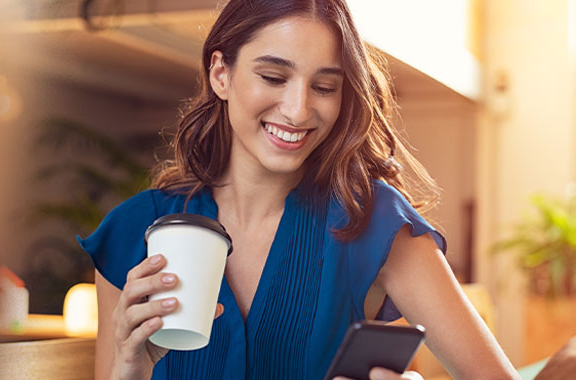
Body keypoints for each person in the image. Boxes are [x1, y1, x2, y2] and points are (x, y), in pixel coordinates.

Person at [78, 0, 520, 379]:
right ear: (220, 74)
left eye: (324, 86)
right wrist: (127, 372)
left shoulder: (375, 223)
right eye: (273, 77)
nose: (298, 109)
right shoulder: (134, 231)